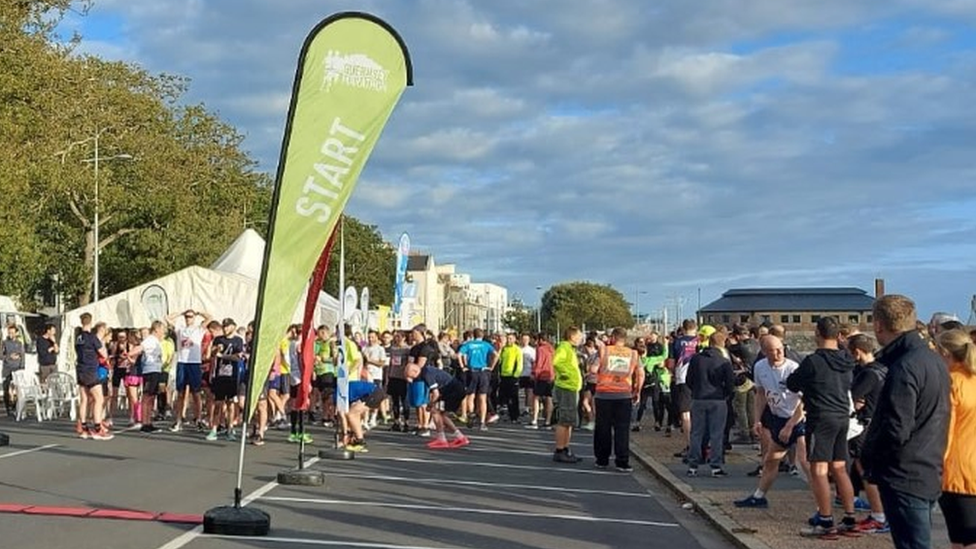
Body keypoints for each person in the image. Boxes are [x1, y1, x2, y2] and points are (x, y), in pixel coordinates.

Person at [861, 295, 950, 549]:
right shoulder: (932, 360)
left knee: (913, 544)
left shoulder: (904, 366)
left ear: (878, 325)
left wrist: (871, 455)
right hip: (928, 463)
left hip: (905, 472)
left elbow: (896, 428)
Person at [787, 317, 857, 536]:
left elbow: (792, 383)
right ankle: (849, 516)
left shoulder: (813, 361)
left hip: (820, 416)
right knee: (839, 467)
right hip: (842, 415)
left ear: (817, 333)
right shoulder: (847, 359)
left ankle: (825, 520)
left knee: (818, 468)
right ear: (838, 335)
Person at [734, 335, 807, 508]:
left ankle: (822, 507)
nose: (779, 352)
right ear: (765, 352)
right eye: (774, 350)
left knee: (805, 463)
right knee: (771, 460)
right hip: (778, 417)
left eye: (781, 348)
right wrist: (757, 420)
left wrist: (790, 425)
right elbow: (761, 394)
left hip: (798, 418)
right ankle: (759, 496)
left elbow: (804, 400)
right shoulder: (760, 367)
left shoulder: (793, 368)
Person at [845, 333, 889, 533]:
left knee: (866, 469)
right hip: (879, 423)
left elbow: (853, 398)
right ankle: (879, 513)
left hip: (865, 425)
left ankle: (879, 515)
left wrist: (857, 402)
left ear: (857, 352)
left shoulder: (868, 374)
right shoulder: (883, 369)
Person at [936, 329, 976, 549]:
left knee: (962, 538)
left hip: (957, 469)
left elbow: (945, 431)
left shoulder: (951, 383)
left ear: (944, 353)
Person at [686, 328, 734, 477]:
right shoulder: (724, 362)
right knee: (716, 434)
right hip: (717, 399)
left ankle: (693, 465)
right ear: (723, 343)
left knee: (696, 433)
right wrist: (725, 395)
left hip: (698, 398)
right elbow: (730, 384)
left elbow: (689, 380)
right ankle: (715, 466)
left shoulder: (696, 358)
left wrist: (696, 391)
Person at [594, 328, 642, 472]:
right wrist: (637, 391)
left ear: (613, 337)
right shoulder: (633, 354)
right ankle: (622, 461)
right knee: (622, 429)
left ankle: (602, 460)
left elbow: (592, 369)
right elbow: (640, 374)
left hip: (604, 394)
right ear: (625, 339)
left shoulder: (604, 351)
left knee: (603, 428)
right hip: (624, 394)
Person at [405, 353, 469, 450]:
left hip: (453, 391)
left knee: (436, 412)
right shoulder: (425, 372)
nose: (412, 379)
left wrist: (430, 404)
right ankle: (459, 437)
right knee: (441, 414)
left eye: (411, 376)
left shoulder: (426, 374)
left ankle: (442, 439)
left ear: (414, 371)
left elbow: (436, 393)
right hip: (451, 391)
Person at [168, 309, 211, 431]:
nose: (188, 319)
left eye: (190, 317)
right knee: (180, 393)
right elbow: (167, 318)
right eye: (187, 317)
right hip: (182, 362)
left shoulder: (198, 329)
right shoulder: (180, 329)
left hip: (194, 363)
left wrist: (198, 312)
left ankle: (198, 419)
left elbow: (210, 318)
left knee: (196, 393)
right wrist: (180, 313)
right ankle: (178, 420)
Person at [74, 315, 113, 440]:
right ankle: (97, 428)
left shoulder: (78, 338)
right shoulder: (92, 338)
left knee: (84, 399)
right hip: (91, 370)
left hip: (80, 369)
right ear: (90, 323)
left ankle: (83, 427)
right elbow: (103, 353)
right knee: (99, 399)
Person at [206, 318, 245, 442]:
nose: (225, 329)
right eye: (224, 326)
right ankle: (214, 429)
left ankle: (230, 428)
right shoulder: (218, 339)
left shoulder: (238, 340)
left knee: (231, 403)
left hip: (232, 375)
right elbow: (211, 354)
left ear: (233, 326)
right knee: (218, 403)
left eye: (228, 326)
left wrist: (222, 355)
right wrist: (216, 350)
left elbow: (238, 357)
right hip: (220, 375)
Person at [552, 326, 584, 464]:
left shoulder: (570, 349)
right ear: (572, 336)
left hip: (571, 387)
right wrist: (567, 375)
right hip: (566, 387)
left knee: (569, 421)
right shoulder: (564, 347)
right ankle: (560, 450)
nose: (581, 338)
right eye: (579, 336)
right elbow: (557, 362)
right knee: (564, 420)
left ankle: (565, 448)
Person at [458, 328, 498, 429]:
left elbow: (459, 355)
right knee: (482, 397)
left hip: (472, 371)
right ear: (482, 335)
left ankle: (471, 413)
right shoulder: (486, 344)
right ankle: (482, 422)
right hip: (483, 371)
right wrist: (491, 367)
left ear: (473, 335)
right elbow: (496, 354)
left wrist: (463, 366)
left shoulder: (468, 344)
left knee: (471, 395)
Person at [133, 321, 166, 433]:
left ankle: (148, 422)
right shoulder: (150, 339)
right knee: (147, 397)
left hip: (156, 370)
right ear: (157, 329)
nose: (163, 332)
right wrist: (129, 354)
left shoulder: (156, 341)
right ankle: (144, 423)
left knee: (152, 397)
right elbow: (140, 348)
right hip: (150, 371)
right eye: (162, 329)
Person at [339, 380, 389, 452]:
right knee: (353, 414)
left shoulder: (339, 396)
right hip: (375, 392)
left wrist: (345, 434)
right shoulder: (342, 392)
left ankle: (360, 442)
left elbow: (343, 417)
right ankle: (357, 438)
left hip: (374, 393)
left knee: (351, 414)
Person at [528, 333, 554, 429]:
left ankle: (534, 420)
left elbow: (539, 362)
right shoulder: (551, 348)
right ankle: (548, 421)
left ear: (540, 340)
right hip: (550, 375)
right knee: (549, 397)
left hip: (542, 375)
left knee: (536, 397)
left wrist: (535, 374)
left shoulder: (540, 349)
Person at [386, 330, 411, 432]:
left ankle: (406, 422)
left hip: (403, 378)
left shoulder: (407, 349)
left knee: (404, 400)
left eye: (399, 337)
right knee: (394, 401)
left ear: (404, 338)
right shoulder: (393, 349)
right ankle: (396, 421)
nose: (397, 339)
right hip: (393, 376)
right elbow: (390, 363)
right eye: (396, 337)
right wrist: (388, 375)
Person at [497, 333, 523, 423]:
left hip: (512, 376)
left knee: (514, 397)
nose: (509, 340)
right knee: (506, 397)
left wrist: (516, 375)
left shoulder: (517, 349)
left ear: (515, 339)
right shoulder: (504, 349)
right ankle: (509, 414)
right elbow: (500, 361)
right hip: (504, 376)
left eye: (511, 339)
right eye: (508, 338)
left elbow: (519, 363)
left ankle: (515, 416)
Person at [2, 324, 25, 417]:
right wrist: (9, 357)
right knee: (7, 388)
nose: (11, 334)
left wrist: (22, 367)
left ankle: (16, 407)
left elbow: (22, 355)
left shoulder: (19, 343)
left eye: (12, 332)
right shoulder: (4, 343)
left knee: (17, 389)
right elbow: (1, 355)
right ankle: (8, 408)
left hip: (17, 368)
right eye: (9, 333)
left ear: (16, 333)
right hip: (7, 368)